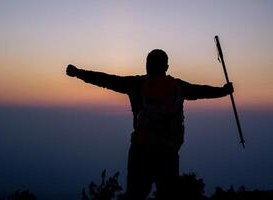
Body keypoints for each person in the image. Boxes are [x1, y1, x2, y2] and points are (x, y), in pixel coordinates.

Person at [66, 49, 233, 200]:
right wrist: (224, 91)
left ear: (147, 65)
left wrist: (78, 73)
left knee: (135, 195)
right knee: (168, 194)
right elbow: (203, 91)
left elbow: (106, 80)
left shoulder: (136, 84)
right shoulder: (179, 87)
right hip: (168, 152)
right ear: (167, 66)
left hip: (141, 151)